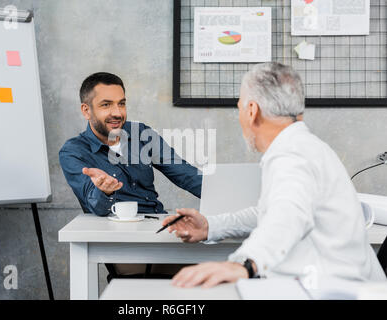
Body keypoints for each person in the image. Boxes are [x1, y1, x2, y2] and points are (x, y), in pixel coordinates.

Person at [162, 62, 387, 288]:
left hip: (341, 290)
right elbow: (271, 213)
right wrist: (211, 226)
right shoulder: (302, 147)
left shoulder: (292, 156)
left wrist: (244, 265)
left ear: (252, 111)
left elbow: (286, 217)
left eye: (239, 107)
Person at [59, 72, 202, 278]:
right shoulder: (73, 152)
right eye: (106, 105)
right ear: (86, 110)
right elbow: (95, 206)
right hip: (121, 244)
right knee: (197, 275)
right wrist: (103, 190)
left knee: (224, 261)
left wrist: (226, 195)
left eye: (121, 103)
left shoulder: (141, 134)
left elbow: (185, 174)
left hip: (160, 233)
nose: (117, 112)